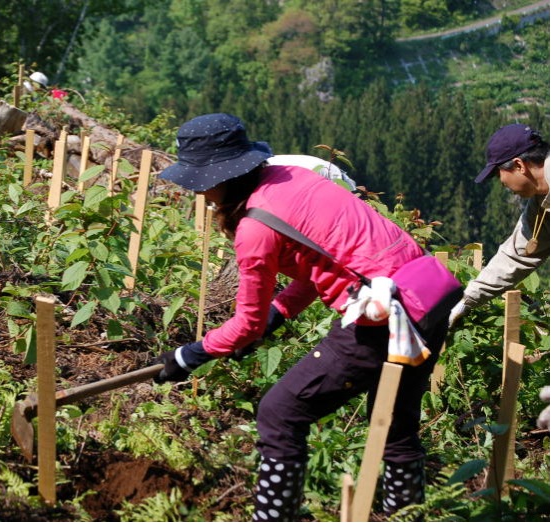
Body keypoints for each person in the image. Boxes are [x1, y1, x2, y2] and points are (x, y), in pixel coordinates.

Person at [154, 113, 462, 521]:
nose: (201, 193)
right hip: (425, 299)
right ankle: (408, 517)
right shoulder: (293, 179)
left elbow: (245, 324)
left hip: (383, 319)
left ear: (217, 177)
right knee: (396, 429)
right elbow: (325, 261)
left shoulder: (254, 228)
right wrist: (279, 312)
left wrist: (191, 354)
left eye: (201, 181)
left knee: (279, 413)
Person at [448, 123, 549, 325]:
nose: (503, 185)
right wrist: (466, 300)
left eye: (499, 176)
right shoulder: (540, 201)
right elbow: (517, 255)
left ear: (519, 165)